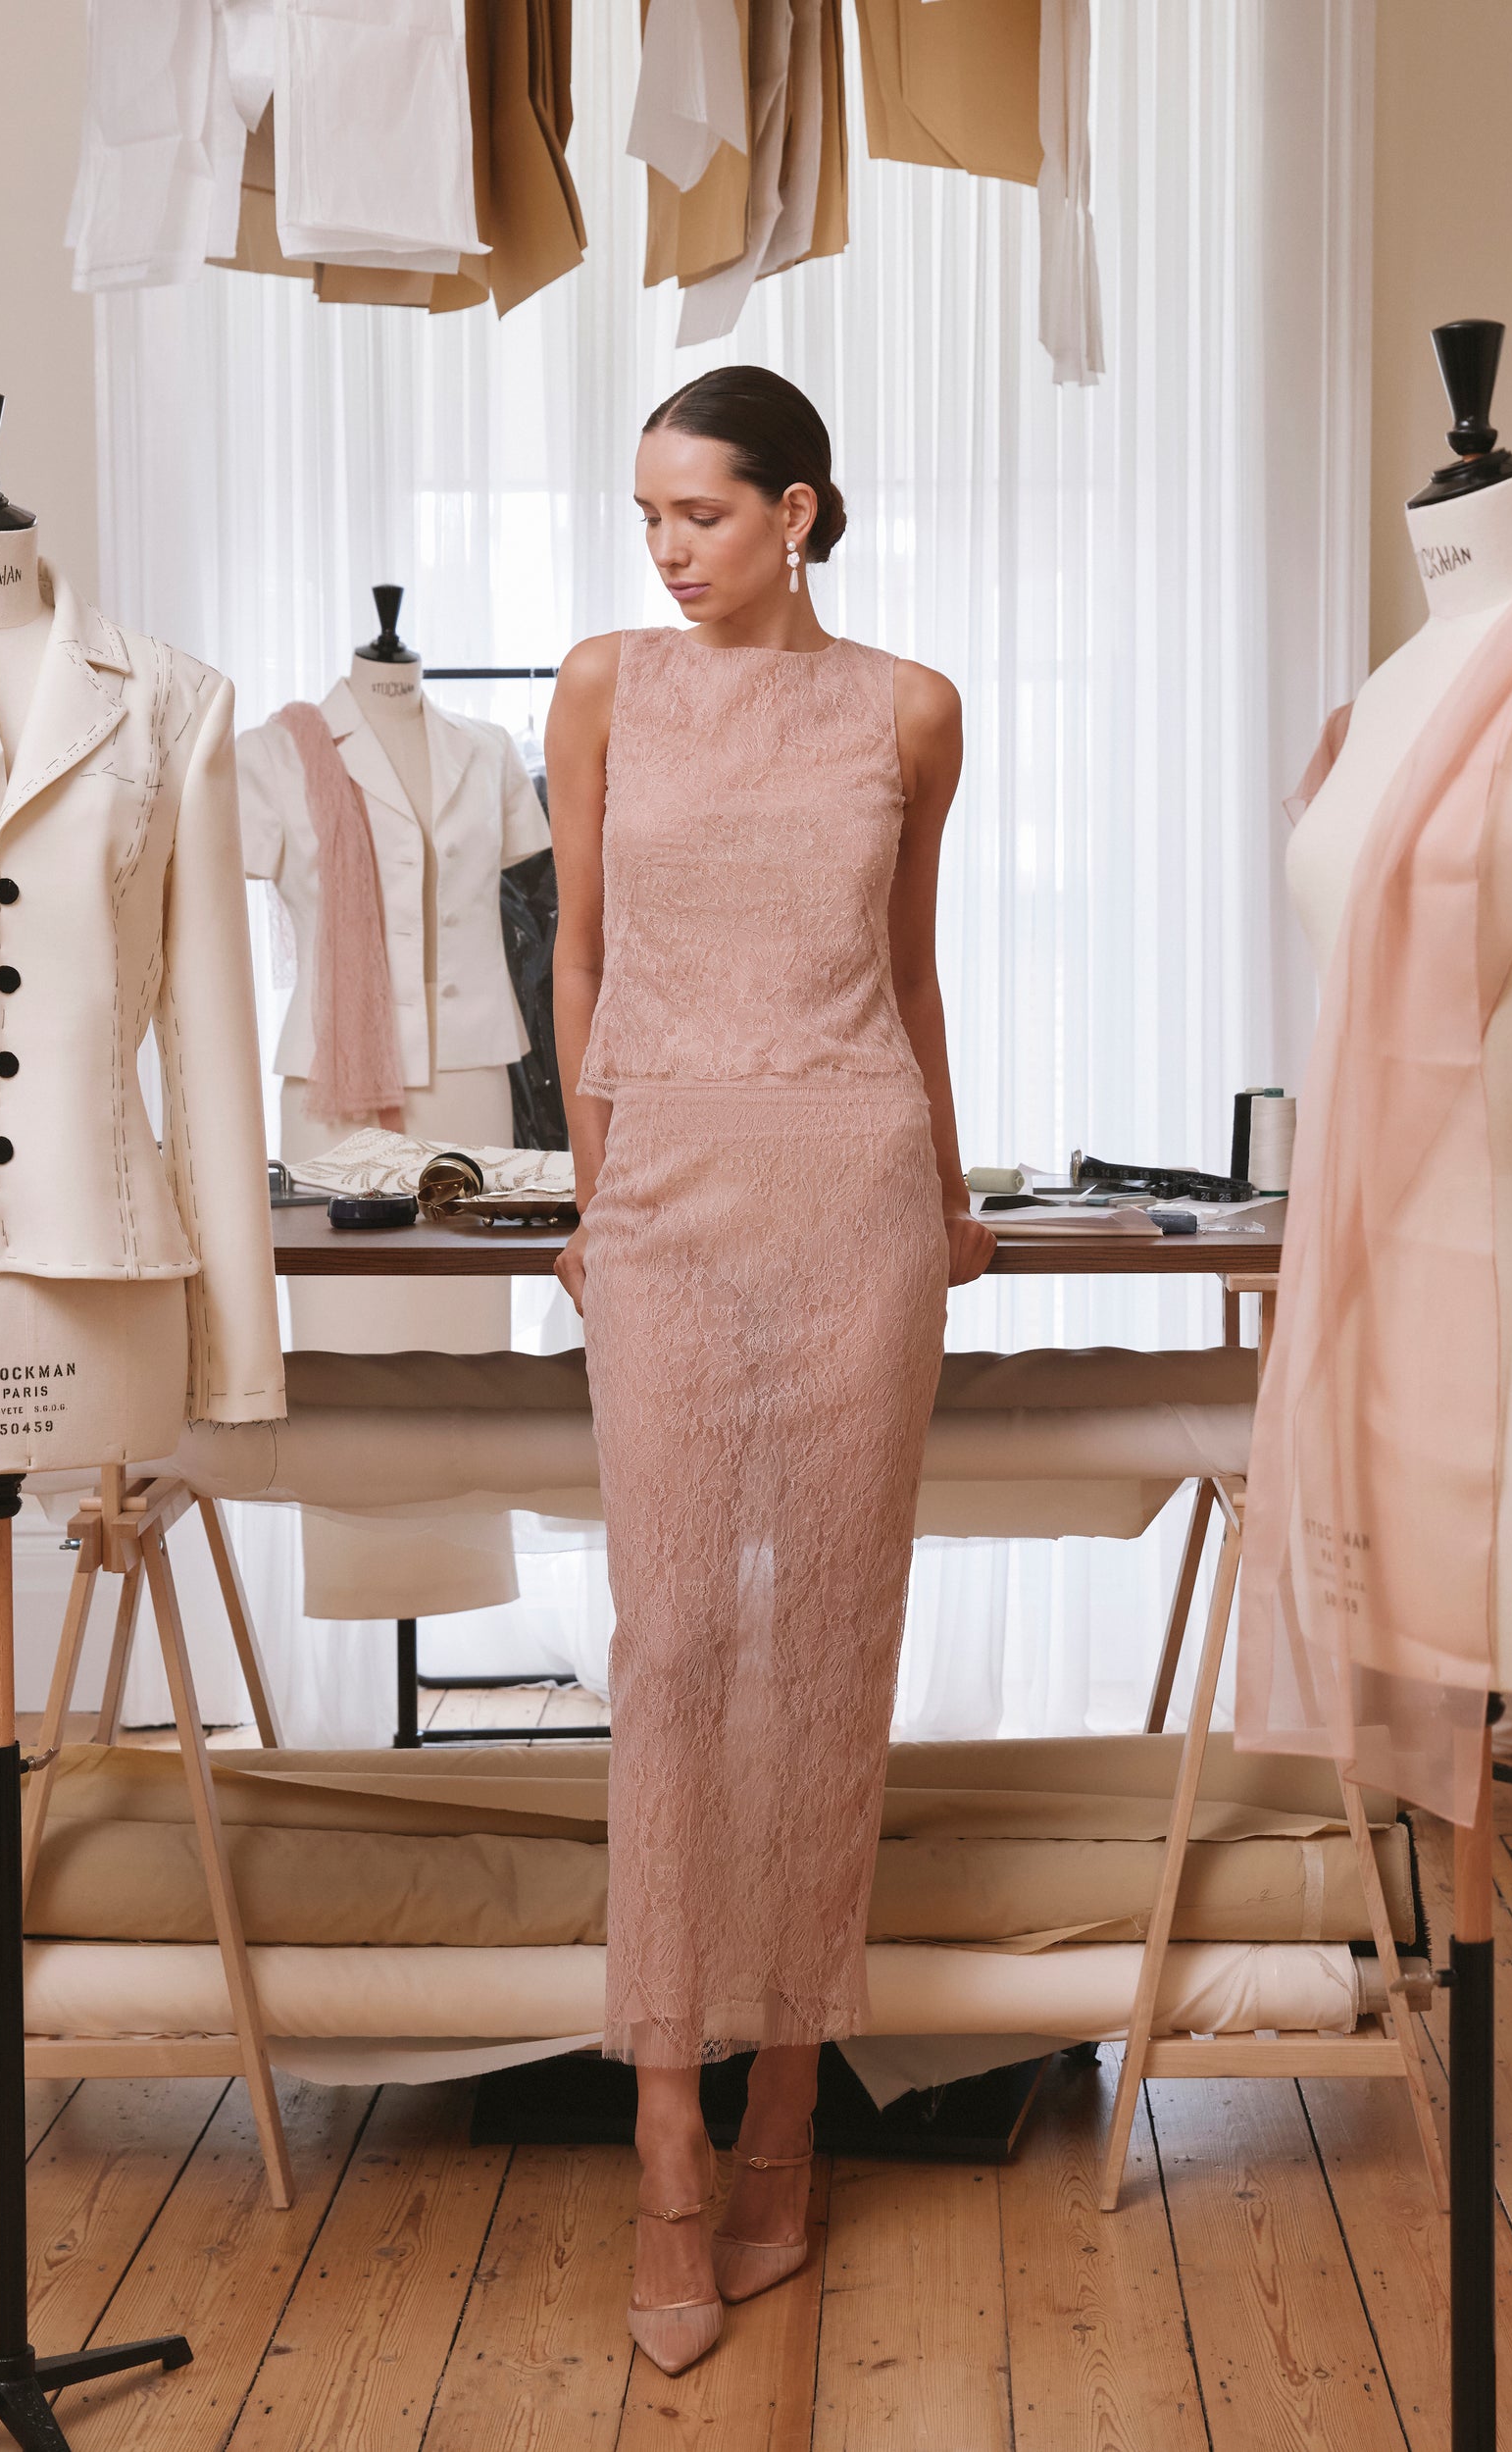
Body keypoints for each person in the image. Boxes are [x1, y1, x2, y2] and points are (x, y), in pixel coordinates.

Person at [545, 365, 994, 2374]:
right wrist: (595, 1190)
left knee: (824, 1642)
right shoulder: (602, 688)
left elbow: (909, 969)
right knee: (669, 1645)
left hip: (856, 1191)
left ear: (796, 512)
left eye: (700, 514)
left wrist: (952, 1198)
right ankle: (665, 2130)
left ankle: (790, 2109)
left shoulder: (910, 710)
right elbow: (577, 954)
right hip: (664, 1192)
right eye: (648, 514)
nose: (665, 549)